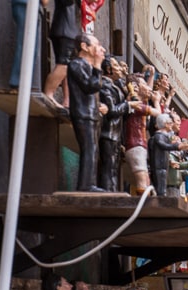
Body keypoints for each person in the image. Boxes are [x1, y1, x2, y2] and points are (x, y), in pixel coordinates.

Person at [67, 32, 108, 192]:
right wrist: (98, 65)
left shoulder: (87, 67)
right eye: (96, 45)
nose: (101, 49)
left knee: (93, 149)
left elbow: (91, 91)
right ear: (84, 47)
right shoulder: (77, 64)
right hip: (83, 114)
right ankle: (86, 185)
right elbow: (90, 86)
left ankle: (89, 183)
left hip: (91, 114)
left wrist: (99, 105)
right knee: (89, 149)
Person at [97, 56, 136, 191]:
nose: (120, 69)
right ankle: (107, 193)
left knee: (113, 168)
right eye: (116, 66)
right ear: (108, 69)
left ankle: (111, 192)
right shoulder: (105, 87)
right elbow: (112, 110)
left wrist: (128, 103)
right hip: (108, 132)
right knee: (108, 167)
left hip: (115, 133)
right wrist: (128, 104)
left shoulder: (114, 87)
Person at [43, 0, 80, 106]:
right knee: (64, 65)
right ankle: (49, 93)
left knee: (68, 68)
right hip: (65, 30)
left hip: (68, 30)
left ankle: (67, 100)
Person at [10, 0, 49, 89]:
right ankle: (18, 80)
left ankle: (20, 80)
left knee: (27, 44)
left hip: (25, 5)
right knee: (28, 45)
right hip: (27, 6)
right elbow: (45, 1)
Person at [148, 113, 188, 197]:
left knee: (162, 187)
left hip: (163, 166)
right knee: (160, 187)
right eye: (170, 122)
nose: (171, 124)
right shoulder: (158, 136)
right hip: (158, 167)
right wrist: (177, 146)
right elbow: (164, 146)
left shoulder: (165, 137)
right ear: (165, 124)